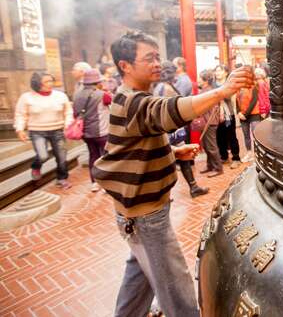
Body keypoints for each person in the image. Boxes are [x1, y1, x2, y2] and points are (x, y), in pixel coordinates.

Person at [93, 32, 253, 317]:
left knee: (138, 278)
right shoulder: (129, 100)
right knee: (177, 292)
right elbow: (169, 111)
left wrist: (172, 151)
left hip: (138, 213)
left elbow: (132, 146)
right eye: (148, 59)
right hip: (145, 215)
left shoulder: (135, 97)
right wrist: (221, 91)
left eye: (157, 57)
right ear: (125, 65)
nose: (157, 63)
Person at [154, 61, 209, 198]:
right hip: (172, 129)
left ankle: (170, 192)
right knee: (179, 158)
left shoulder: (158, 87)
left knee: (169, 159)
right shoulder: (166, 87)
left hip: (166, 129)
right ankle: (192, 187)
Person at [14, 72, 73, 188]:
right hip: (37, 131)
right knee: (43, 156)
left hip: (57, 130)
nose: (50, 83)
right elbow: (20, 114)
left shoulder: (60, 96)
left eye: (51, 81)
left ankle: (62, 178)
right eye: (46, 81)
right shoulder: (26, 97)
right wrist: (19, 129)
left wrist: (67, 124)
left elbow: (68, 112)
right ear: (37, 83)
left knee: (61, 156)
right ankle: (36, 166)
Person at [73, 68, 112, 192]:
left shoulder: (77, 95)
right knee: (105, 157)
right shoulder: (103, 95)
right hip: (102, 131)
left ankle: (94, 182)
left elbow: (75, 113)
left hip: (86, 133)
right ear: (97, 82)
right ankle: (106, 184)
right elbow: (113, 102)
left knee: (93, 156)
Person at [213, 65, 241, 169]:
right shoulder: (213, 84)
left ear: (225, 73)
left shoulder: (229, 84)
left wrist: (218, 95)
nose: (218, 73)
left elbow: (228, 96)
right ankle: (224, 156)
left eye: (220, 70)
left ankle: (236, 158)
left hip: (228, 114)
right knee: (219, 137)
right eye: (216, 71)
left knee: (231, 137)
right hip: (215, 114)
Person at [199, 70, 223, 176]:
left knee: (211, 146)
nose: (198, 80)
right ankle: (210, 165)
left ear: (205, 80)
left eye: (199, 78)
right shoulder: (206, 90)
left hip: (209, 122)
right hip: (205, 122)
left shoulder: (208, 91)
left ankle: (218, 169)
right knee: (206, 145)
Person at [236, 74, 261, 162]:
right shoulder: (239, 88)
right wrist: (238, 112)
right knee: (246, 136)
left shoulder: (254, 86)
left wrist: (245, 115)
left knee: (256, 135)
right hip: (242, 115)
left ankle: (258, 154)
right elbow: (237, 101)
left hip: (254, 114)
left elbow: (254, 101)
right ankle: (249, 153)